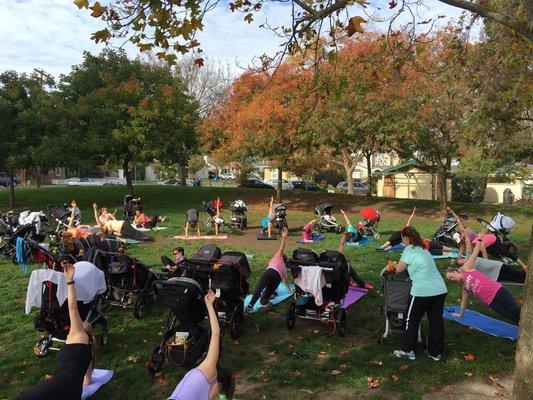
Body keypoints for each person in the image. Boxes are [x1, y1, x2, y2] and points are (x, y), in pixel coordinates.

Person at [17, 257, 95, 400]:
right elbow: (88, 381)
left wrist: (70, 280)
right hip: (71, 389)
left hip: (59, 384)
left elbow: (72, 307)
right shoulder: (88, 351)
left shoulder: (77, 336)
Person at [392, 227, 448, 361]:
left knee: (412, 320)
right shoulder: (424, 249)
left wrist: (393, 267)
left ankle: (408, 350)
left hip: (421, 292)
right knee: (436, 322)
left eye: (402, 239)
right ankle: (435, 353)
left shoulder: (408, 249)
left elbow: (399, 269)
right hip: (440, 289)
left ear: (406, 238)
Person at [167, 290, 235, 400]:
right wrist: (209, 304)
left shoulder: (202, 370)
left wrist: (209, 304)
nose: (218, 397)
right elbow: (216, 333)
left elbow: (216, 333)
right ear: (219, 385)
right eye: (219, 394)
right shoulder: (209, 370)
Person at [445, 231, 521, 325]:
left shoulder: (466, 268)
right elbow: (464, 301)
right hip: (490, 302)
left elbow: (475, 253)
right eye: (450, 279)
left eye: (451, 277)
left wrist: (480, 239)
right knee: (511, 316)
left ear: (455, 271)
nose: (452, 279)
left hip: (497, 291)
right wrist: (460, 314)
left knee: (515, 310)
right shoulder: (464, 287)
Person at [447, 207, 528, 271]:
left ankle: (524, 266)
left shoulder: (475, 242)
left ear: (461, 236)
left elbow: (485, 257)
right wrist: (458, 260)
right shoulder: (466, 243)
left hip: (492, 240)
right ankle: (478, 268)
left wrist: (451, 211)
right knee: (476, 258)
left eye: (461, 238)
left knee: (506, 253)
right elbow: (463, 251)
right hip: (485, 243)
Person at [245, 227, 290, 313]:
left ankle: (250, 305)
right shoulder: (284, 268)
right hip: (277, 279)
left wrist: (284, 238)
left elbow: (281, 248)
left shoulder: (278, 257)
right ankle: (268, 303)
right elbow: (285, 282)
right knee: (263, 300)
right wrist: (289, 291)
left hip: (270, 273)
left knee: (259, 287)